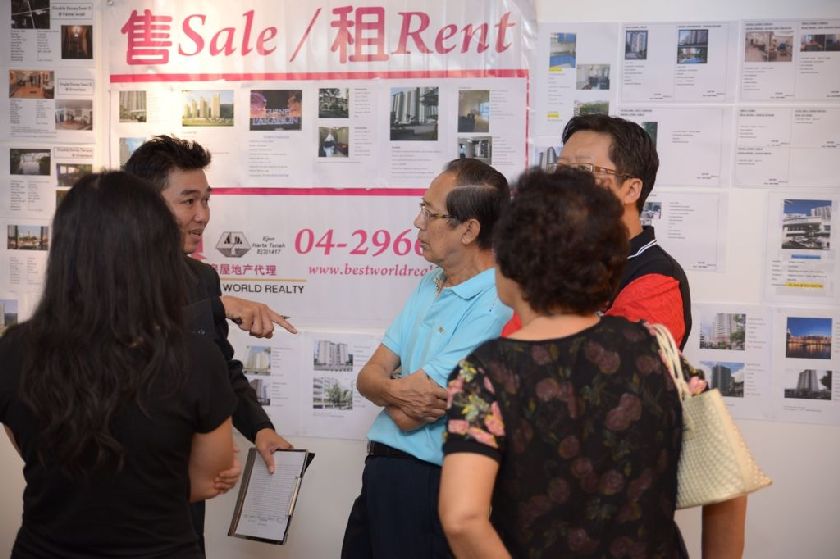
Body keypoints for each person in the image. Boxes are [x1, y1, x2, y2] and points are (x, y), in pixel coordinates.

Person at [500, 114, 746, 557]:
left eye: (583, 172)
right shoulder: (553, 270)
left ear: (632, 190)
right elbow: (516, 357)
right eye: (561, 170)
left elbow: (590, 391)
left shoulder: (656, 280)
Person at [440, 167, 691, 557]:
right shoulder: (659, 349)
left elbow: (462, 518)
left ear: (511, 262)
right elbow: (728, 481)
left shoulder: (486, 374)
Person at [0, 172, 235, 557]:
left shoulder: (14, 351)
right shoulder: (195, 357)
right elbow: (205, 480)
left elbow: (29, 447)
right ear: (154, 251)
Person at [123, 135, 296, 551]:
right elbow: (123, 343)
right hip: (119, 483)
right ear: (145, 206)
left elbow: (220, 367)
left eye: (206, 200)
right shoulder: (110, 274)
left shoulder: (202, 278)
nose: (202, 216)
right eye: (188, 201)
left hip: (185, 487)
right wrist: (217, 308)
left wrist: (261, 429)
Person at [341, 159, 513, 559]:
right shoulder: (430, 282)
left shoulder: (496, 301)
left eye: (431, 213)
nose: (418, 223)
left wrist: (389, 387)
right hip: (381, 474)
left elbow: (407, 415)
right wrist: (393, 387)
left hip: (428, 482)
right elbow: (368, 377)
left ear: (469, 230)